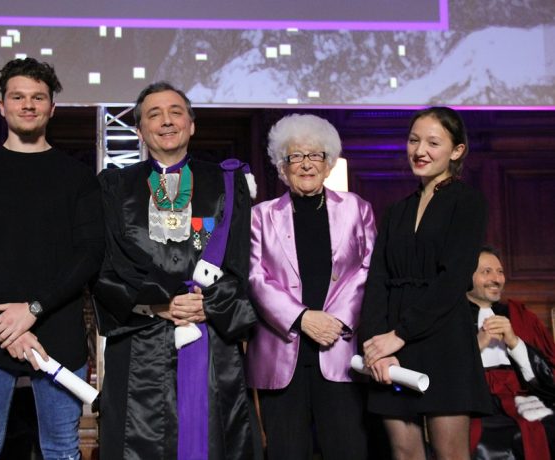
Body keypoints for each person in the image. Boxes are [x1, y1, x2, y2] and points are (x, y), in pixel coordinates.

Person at [0, 57, 104, 460]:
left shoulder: (79, 177)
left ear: (52, 108)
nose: (28, 105)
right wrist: (7, 325)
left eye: (38, 97)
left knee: (62, 449)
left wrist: (32, 311)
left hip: (59, 335)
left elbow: (89, 255)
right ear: (2, 106)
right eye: (18, 97)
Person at [93, 81, 258, 459]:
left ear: (192, 124)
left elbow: (241, 261)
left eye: (176, 112)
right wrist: (158, 304)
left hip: (210, 337)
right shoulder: (115, 187)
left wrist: (208, 305)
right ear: (139, 130)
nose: (166, 121)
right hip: (141, 341)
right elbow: (107, 266)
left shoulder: (228, 182)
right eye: (154, 114)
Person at [359, 106, 493, 460]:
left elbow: (454, 280)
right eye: (414, 140)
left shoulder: (468, 202)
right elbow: (377, 280)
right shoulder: (396, 211)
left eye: (433, 142)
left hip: (442, 340)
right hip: (391, 346)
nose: (420, 151)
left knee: (451, 454)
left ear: (457, 151)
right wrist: (375, 344)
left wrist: (399, 334)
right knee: (405, 454)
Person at [244, 114, 376, 459]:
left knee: (348, 449)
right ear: (281, 166)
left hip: (340, 349)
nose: (306, 164)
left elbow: (369, 268)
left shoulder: (357, 209)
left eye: (315, 155)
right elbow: (255, 276)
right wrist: (302, 319)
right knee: (287, 452)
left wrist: (336, 321)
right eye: (295, 157)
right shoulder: (260, 216)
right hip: (280, 352)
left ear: (329, 162)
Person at [467, 246, 555, 460]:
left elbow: (549, 378)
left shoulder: (521, 316)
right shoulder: (448, 319)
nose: (496, 279)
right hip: (475, 404)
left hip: (523, 397)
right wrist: (475, 345)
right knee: (487, 442)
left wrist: (515, 342)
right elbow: (437, 376)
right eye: (486, 272)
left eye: (500, 272)